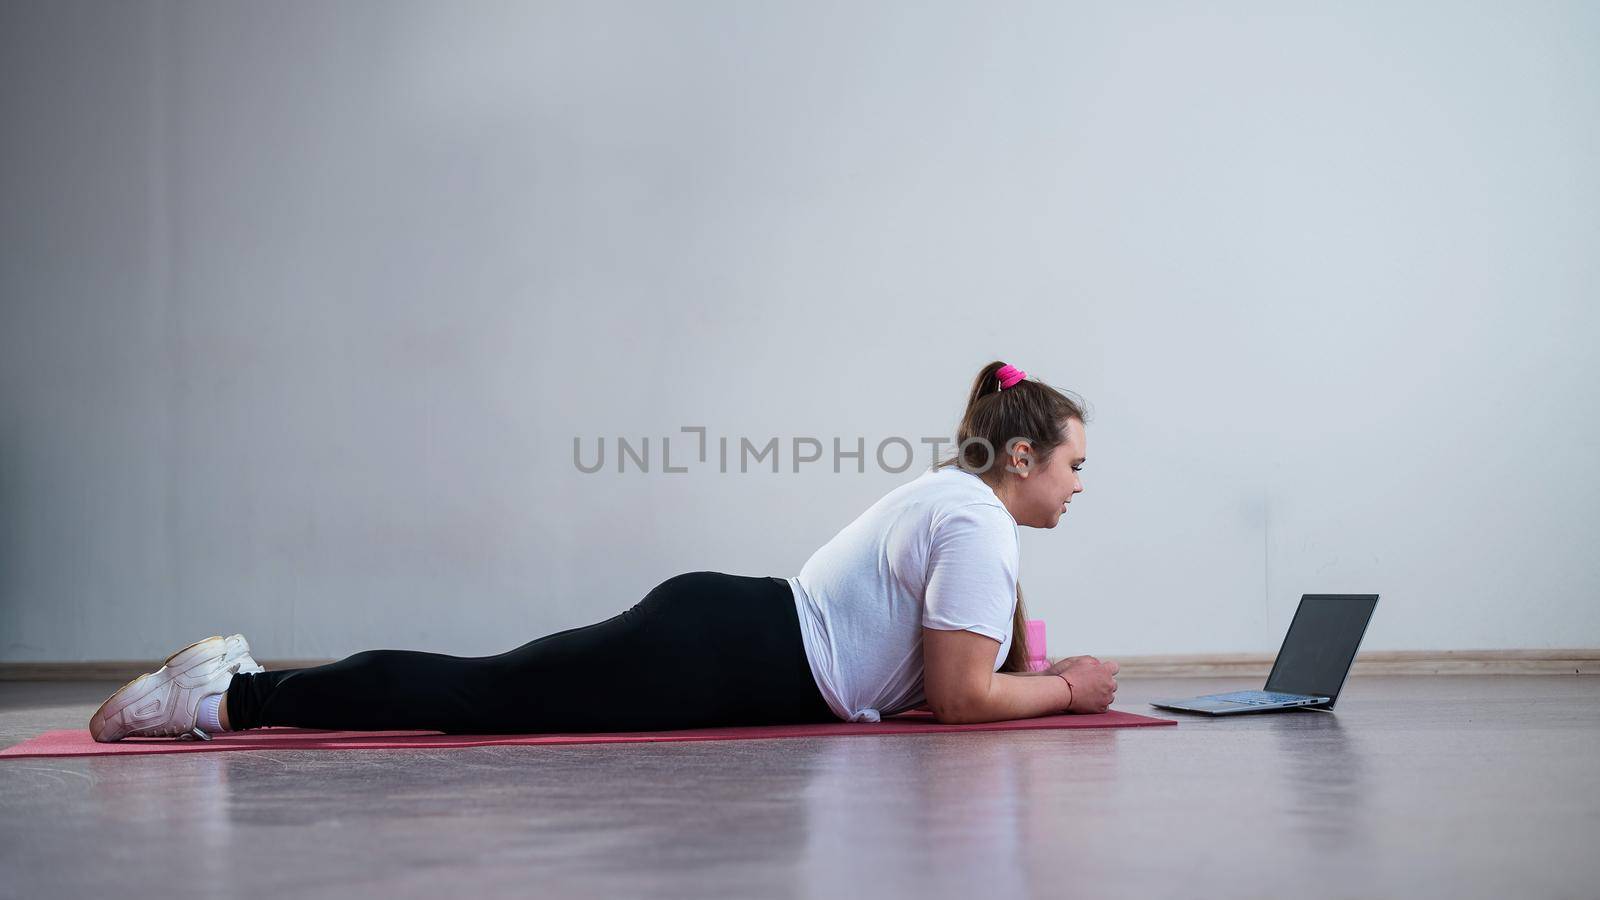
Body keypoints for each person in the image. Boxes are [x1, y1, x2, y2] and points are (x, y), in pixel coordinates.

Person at [89, 360, 1119, 742]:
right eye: (1075, 465)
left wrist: (1035, 673)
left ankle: (233, 691)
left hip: (731, 629)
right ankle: (224, 696)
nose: (1079, 486)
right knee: (478, 699)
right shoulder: (975, 518)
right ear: (1021, 454)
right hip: (730, 648)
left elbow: (957, 670)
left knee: (486, 691)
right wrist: (1071, 692)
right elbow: (960, 700)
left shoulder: (955, 495)